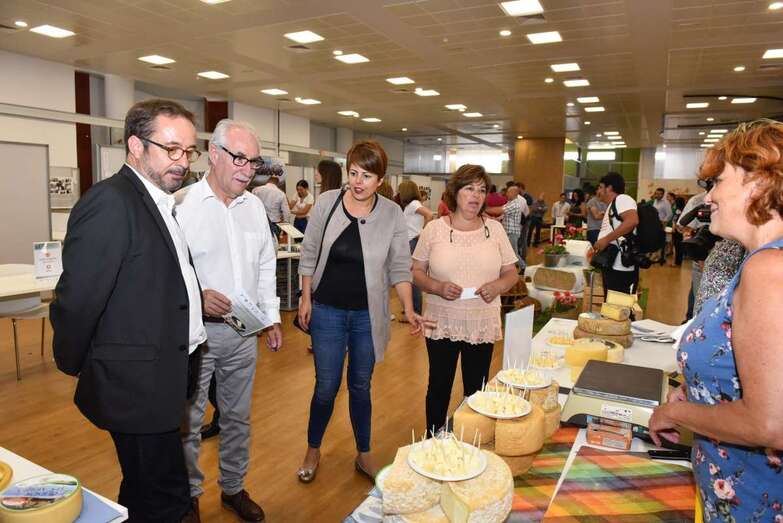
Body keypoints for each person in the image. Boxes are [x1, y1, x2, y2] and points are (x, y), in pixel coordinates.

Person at [50, 99, 206, 522]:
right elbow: (77, 300)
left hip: (165, 373)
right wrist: (77, 363)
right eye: (171, 149)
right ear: (135, 146)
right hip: (136, 383)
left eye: (189, 151)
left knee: (142, 486)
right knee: (168, 498)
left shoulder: (160, 201)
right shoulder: (111, 203)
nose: (183, 161)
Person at [649, 119, 783, 522]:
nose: (708, 198)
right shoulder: (758, 262)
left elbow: (769, 422)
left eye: (717, 182)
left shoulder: (768, 270)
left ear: (758, 183)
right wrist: (696, 392)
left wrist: (675, 414)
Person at [296, 140, 429, 483]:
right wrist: (305, 297)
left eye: (366, 176)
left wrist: (410, 308)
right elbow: (309, 253)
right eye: (353, 173)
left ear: (380, 179)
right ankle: (313, 449)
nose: (357, 181)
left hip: (367, 316)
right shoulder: (327, 203)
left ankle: (364, 453)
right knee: (326, 386)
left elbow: (400, 266)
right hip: (326, 310)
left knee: (360, 385)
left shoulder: (391, 213)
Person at [175, 119, 282, 522]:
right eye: (239, 158)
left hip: (244, 334)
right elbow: (168, 272)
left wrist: (271, 319)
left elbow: (266, 265)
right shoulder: (182, 206)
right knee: (189, 420)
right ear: (214, 154)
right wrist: (197, 298)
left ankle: (233, 488)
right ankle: (189, 497)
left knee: (237, 417)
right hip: (196, 336)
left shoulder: (254, 207)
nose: (247, 169)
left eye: (253, 161)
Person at [411, 164, 519, 434]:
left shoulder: (494, 229)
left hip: (481, 321)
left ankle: (473, 441)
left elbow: (511, 272)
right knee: (439, 385)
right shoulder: (434, 229)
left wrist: (497, 286)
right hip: (441, 320)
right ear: (455, 192)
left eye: (482, 190)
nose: (476, 195)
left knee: (477, 387)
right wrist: (436, 286)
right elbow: (415, 272)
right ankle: (434, 441)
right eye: (469, 188)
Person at [592, 172, 640, 296]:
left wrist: (606, 239)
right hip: (613, 263)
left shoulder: (622, 199)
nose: (598, 191)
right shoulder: (613, 205)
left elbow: (632, 220)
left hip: (620, 266)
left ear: (609, 188)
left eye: (601, 187)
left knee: (618, 306)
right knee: (612, 305)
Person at [399, 180, 434, 315]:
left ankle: (415, 311)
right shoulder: (412, 205)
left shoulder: (414, 204)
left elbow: (429, 215)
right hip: (410, 242)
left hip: (412, 243)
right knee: (410, 277)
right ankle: (412, 309)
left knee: (412, 278)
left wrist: (423, 233)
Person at [487, 184, 527, 270]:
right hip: (508, 232)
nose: (507, 193)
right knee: (507, 252)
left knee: (513, 253)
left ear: (514, 193)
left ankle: (524, 267)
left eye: (508, 192)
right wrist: (496, 218)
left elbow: (500, 210)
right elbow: (504, 214)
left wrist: (483, 209)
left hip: (512, 233)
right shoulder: (510, 203)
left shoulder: (515, 204)